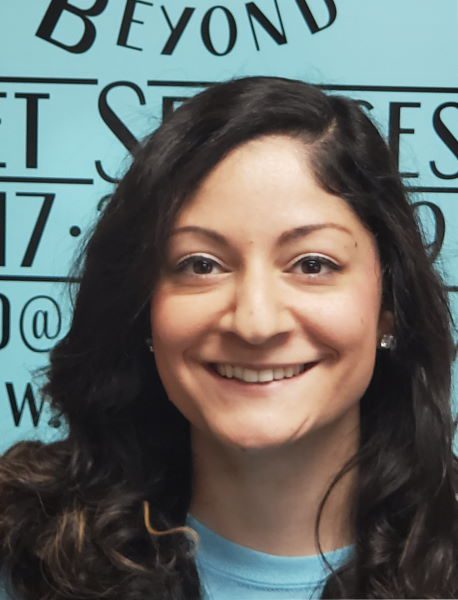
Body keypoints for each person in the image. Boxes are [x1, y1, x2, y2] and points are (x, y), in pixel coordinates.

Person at [0, 76, 456, 599]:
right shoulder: (24, 557)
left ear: (389, 307)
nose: (255, 323)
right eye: (201, 265)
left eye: (312, 264)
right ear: (142, 307)